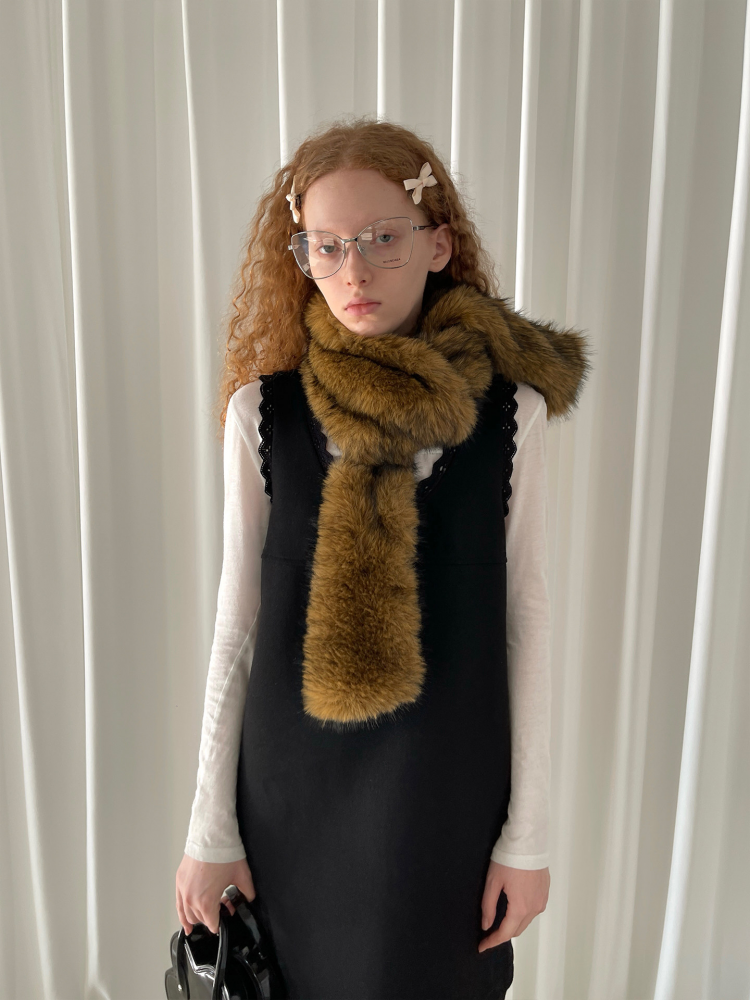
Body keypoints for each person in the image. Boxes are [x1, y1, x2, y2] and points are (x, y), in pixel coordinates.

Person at [175, 116, 591, 999]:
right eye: (325, 248)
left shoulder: (512, 415)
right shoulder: (262, 415)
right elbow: (238, 627)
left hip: (447, 796)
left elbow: (527, 621)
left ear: (438, 244)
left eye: (381, 239)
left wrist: (528, 837)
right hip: (290, 797)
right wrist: (210, 827)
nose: (353, 272)